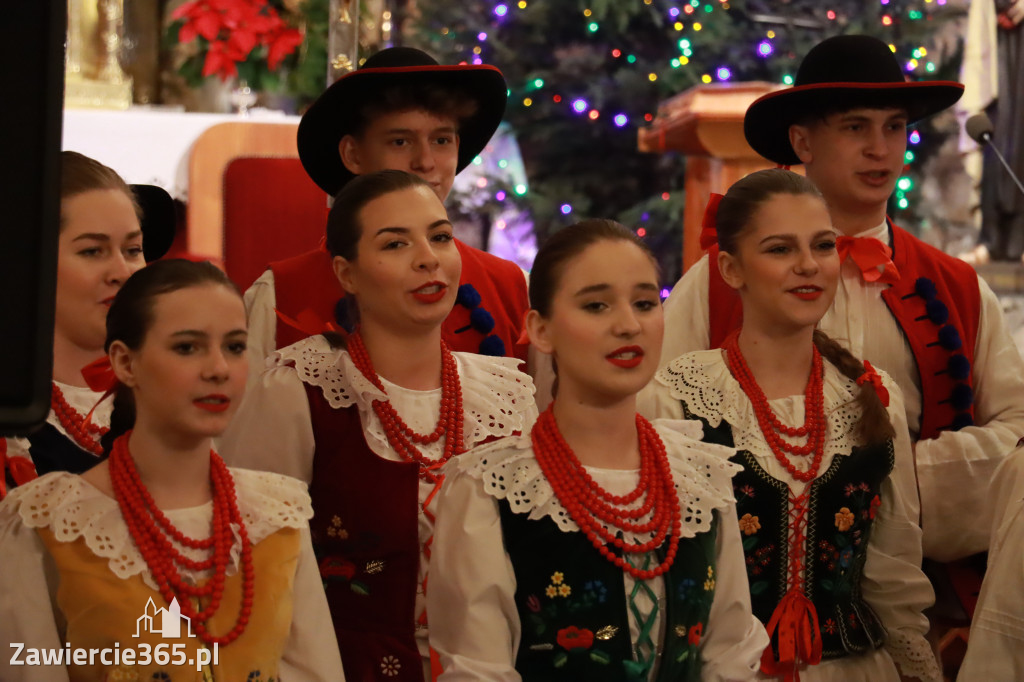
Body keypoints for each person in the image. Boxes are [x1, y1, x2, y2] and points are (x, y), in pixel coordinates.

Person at [658, 34, 1024, 565]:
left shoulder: (956, 288)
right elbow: (661, 424)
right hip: (750, 582)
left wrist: (900, 478)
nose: (881, 149)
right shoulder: (720, 280)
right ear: (803, 144)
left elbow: (1015, 437)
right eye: (856, 127)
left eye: (894, 127)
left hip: (923, 583)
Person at [220, 170, 538, 681]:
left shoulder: (506, 394)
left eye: (440, 237)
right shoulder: (299, 389)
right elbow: (257, 570)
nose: (427, 258)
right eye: (395, 244)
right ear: (346, 273)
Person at [427, 219, 767, 681]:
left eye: (645, 303)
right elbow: (479, 668)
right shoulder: (491, 488)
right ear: (541, 330)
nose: (628, 325)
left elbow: (729, 649)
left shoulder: (699, 472)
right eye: (596, 305)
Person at [642, 170, 939, 681]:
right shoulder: (674, 399)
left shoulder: (872, 396)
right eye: (780, 249)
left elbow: (894, 572)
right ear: (732, 269)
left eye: (823, 246)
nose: (808, 265)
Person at [0, 259, 344, 681]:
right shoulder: (51, 519)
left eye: (234, 347)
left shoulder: (277, 512)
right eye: (187, 347)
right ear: (125, 362)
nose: (218, 368)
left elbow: (316, 671)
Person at [244, 46, 531, 388]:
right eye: (400, 141)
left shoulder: (511, 288)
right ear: (353, 154)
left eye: (441, 140)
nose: (425, 162)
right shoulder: (280, 296)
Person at [0, 151, 175, 500]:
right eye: (93, 251)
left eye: (133, 249)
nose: (122, 272)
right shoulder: (12, 411)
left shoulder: (167, 386)